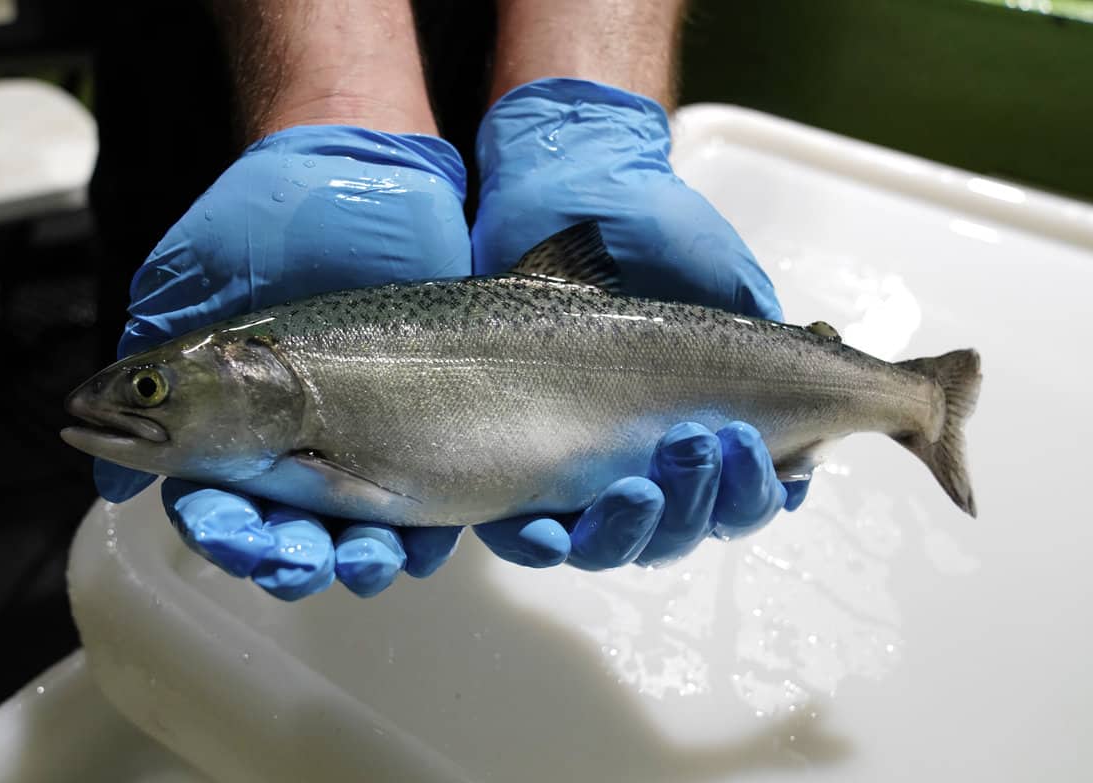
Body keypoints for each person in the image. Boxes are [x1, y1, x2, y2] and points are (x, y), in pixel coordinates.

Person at [93, 0, 810, 601]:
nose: (143, 396)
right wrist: (338, 107)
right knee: (178, 581)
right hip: (221, 71)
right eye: (152, 389)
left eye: (150, 387)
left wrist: (587, 119)